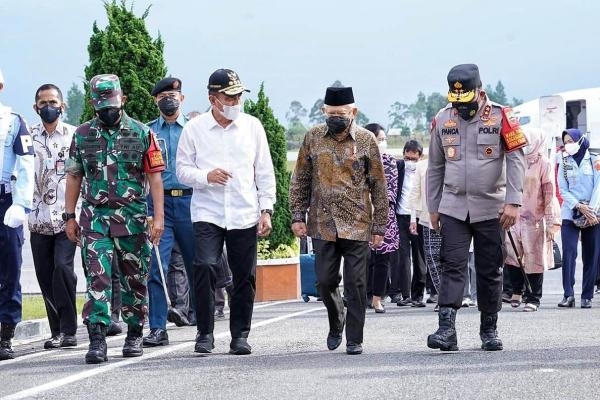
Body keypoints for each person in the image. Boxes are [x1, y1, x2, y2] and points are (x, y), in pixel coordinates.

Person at [65, 74, 165, 364]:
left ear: (123, 99)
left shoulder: (142, 133)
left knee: (135, 279)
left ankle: (134, 333)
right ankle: (97, 340)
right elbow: (74, 176)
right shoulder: (83, 135)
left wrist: (157, 217)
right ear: (94, 104)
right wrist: (69, 216)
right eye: (101, 105)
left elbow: (154, 178)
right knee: (97, 278)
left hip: (133, 217)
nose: (108, 110)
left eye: (112, 103)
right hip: (95, 217)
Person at [426, 63, 526, 352]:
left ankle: (489, 329)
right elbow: (435, 166)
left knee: (489, 269)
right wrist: (433, 207)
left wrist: (513, 200)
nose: (461, 108)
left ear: (479, 92)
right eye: (456, 102)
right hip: (454, 206)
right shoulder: (442, 119)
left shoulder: (501, 116)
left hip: (491, 207)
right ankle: (447, 330)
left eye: (466, 101)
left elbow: (517, 159)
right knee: (452, 264)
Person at [176, 68, 276, 355]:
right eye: (229, 97)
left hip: (244, 212)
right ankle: (204, 333)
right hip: (208, 212)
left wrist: (266, 208)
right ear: (213, 98)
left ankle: (240, 335)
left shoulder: (252, 126)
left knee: (244, 275)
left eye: (238, 96)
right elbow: (181, 170)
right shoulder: (194, 129)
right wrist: (206, 176)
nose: (235, 102)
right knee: (205, 266)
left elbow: (264, 171)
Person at [289, 86, 388, 355]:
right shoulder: (312, 138)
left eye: (341, 113)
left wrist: (380, 225)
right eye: (331, 113)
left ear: (353, 112)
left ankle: (355, 338)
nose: (335, 117)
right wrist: (297, 215)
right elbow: (300, 179)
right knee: (324, 281)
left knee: (356, 283)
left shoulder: (367, 140)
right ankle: (337, 320)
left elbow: (379, 185)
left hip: (357, 223)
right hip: (322, 223)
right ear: (323, 112)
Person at [143, 77, 195, 347]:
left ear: (182, 98)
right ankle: (157, 327)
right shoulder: (149, 132)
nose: (168, 99)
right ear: (156, 100)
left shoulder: (195, 130)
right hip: (159, 206)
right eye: (162, 96)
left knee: (198, 263)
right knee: (156, 267)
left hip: (190, 203)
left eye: (173, 94)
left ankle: (202, 321)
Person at [28, 83, 78, 349]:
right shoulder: (28, 138)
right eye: (43, 103)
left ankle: (69, 330)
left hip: (66, 219)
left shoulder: (74, 136)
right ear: (35, 107)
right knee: (45, 276)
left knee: (62, 269)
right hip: (37, 219)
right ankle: (57, 330)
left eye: (53, 102)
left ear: (63, 105)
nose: (48, 107)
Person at [504, 127, 561, 312]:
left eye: (528, 142)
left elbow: (549, 193)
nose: (525, 145)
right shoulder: (513, 159)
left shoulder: (544, 163)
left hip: (535, 219)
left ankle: (533, 297)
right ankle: (517, 291)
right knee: (512, 255)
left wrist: (553, 223)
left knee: (534, 257)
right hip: (514, 217)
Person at [0, 68, 35, 361]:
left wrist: (21, 204)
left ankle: (6, 334)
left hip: (5, 201)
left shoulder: (12, 122)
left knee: (10, 268)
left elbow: (26, 163)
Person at [557, 128, 600, 308]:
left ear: (580, 140)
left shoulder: (595, 160)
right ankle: (568, 294)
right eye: (565, 142)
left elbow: (599, 185)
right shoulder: (564, 161)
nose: (568, 145)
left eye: (570, 141)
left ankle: (587, 295)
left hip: (592, 212)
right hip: (571, 211)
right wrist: (578, 205)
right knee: (569, 252)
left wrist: (591, 209)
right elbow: (563, 189)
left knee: (591, 254)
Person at [364, 123, 398, 313]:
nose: (382, 142)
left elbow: (392, 190)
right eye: (380, 139)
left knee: (382, 260)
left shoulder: (390, 161)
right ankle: (363, 296)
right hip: (361, 215)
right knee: (364, 259)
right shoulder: (360, 159)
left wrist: (379, 206)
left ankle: (378, 298)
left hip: (385, 215)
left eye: (384, 139)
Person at [393, 140, 426, 307]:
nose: (410, 162)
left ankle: (418, 295)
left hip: (419, 217)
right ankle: (405, 294)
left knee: (420, 257)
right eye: (407, 158)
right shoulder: (398, 168)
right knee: (403, 257)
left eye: (414, 159)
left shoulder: (424, 172)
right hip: (401, 216)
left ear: (420, 157)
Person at [408, 157, 442, 311]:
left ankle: (451, 295)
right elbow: (415, 192)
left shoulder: (453, 160)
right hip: (428, 218)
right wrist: (413, 218)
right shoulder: (422, 166)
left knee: (450, 258)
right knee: (433, 258)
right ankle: (443, 296)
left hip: (453, 217)